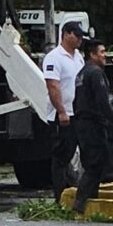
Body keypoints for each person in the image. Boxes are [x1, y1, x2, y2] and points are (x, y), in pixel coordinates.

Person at [70, 39, 113, 216]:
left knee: (92, 161)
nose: (104, 55)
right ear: (92, 55)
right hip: (92, 123)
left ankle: (90, 199)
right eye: (101, 52)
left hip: (82, 122)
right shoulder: (95, 73)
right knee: (95, 163)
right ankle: (80, 202)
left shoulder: (82, 73)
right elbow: (103, 102)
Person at [40, 21, 86, 202]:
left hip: (77, 112)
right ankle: (59, 196)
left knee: (74, 152)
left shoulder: (78, 57)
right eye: (77, 35)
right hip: (63, 114)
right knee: (61, 156)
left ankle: (72, 188)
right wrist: (61, 111)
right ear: (67, 34)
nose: (80, 40)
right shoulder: (54, 57)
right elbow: (53, 85)